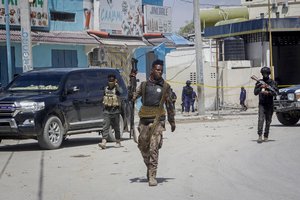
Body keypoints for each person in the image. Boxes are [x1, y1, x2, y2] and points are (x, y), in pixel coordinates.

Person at [132, 59, 176, 186]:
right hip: (144, 121)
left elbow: (170, 106)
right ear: (152, 70)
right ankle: (149, 166)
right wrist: (131, 90)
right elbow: (133, 96)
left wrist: (172, 122)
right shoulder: (144, 85)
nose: (159, 72)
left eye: (161, 70)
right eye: (157, 69)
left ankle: (152, 175)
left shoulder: (165, 87)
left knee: (153, 148)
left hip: (158, 121)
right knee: (142, 146)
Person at [98, 74, 123, 149]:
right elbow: (103, 98)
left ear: (115, 80)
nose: (110, 81)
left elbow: (121, 91)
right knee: (105, 126)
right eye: (109, 80)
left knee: (116, 127)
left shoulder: (117, 88)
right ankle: (104, 142)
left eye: (112, 80)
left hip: (115, 111)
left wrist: (116, 85)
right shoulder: (106, 89)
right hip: (107, 111)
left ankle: (118, 141)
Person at [254, 67, 278, 143]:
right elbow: (255, 92)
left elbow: (276, 93)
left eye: (266, 73)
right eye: (263, 73)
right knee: (261, 120)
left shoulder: (273, 83)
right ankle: (260, 136)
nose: (265, 75)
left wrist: (268, 93)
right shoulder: (259, 82)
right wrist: (260, 87)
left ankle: (266, 136)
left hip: (270, 104)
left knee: (268, 121)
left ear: (268, 74)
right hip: (262, 104)